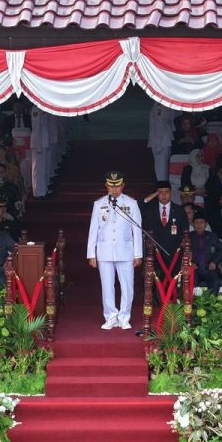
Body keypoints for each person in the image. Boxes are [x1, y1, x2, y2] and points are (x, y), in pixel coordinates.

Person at [86, 171, 143, 330]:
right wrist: (91, 254)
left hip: (125, 250)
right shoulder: (99, 204)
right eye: (111, 185)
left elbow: (137, 230)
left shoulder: (131, 203)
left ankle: (124, 317)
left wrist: (138, 254)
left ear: (123, 185)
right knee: (107, 286)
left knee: (127, 285)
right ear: (106, 186)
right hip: (104, 251)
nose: (114, 189)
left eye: (117, 185)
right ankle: (110, 316)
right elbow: (93, 230)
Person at [142, 181, 189, 278]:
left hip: (174, 254)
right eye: (160, 192)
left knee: (173, 285)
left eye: (166, 192)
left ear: (171, 193)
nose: (163, 195)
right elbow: (138, 206)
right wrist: (150, 198)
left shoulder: (179, 210)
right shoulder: (149, 209)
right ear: (156, 194)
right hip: (155, 254)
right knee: (155, 285)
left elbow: (185, 232)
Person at [189, 211, 222, 293]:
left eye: (202, 222)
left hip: (210, 268)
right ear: (193, 224)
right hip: (195, 269)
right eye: (196, 223)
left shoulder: (212, 236)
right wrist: (189, 263)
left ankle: (211, 305)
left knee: (215, 283)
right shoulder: (189, 237)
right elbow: (181, 252)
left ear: (206, 224)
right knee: (192, 283)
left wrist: (214, 262)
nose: (199, 225)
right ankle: (194, 305)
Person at [148, 104, 178, 182]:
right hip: (162, 140)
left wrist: (158, 144)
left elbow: (159, 124)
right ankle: (163, 187)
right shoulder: (163, 105)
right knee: (162, 167)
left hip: (161, 141)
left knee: (161, 169)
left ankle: (163, 187)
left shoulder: (161, 106)